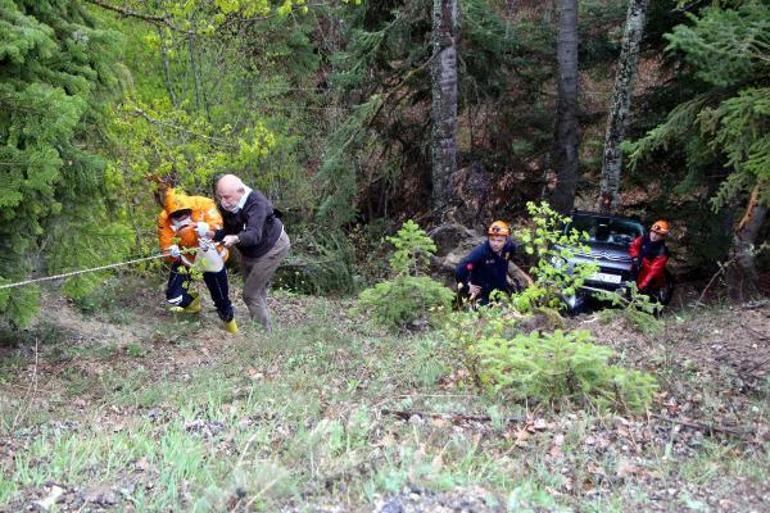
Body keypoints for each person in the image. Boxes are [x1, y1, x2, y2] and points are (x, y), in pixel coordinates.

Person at [207, 174, 290, 332]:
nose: (224, 202)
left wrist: (236, 238)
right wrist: (211, 235)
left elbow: (254, 234)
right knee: (257, 291)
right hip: (250, 251)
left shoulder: (257, 203)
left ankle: (264, 335)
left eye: (227, 197)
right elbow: (227, 231)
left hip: (273, 247)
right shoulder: (228, 205)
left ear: (240, 191)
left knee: (250, 294)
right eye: (221, 197)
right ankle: (262, 324)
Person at [157, 187, 238, 334]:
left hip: (211, 255)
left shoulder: (204, 205)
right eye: (177, 216)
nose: (182, 219)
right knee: (174, 297)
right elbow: (166, 248)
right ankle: (193, 304)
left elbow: (221, 229)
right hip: (186, 258)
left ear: (189, 209)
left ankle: (232, 329)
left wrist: (207, 230)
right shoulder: (164, 219)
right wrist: (172, 252)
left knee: (220, 298)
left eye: (184, 215)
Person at [455, 220, 522, 305]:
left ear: (506, 240)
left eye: (499, 241)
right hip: (481, 295)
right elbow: (460, 270)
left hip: (500, 291)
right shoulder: (480, 252)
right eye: (492, 240)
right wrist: (467, 287)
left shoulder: (509, 248)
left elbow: (507, 258)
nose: (495, 244)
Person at [628, 220, 671, 300]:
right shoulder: (644, 238)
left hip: (649, 280)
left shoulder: (662, 251)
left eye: (658, 234)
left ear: (663, 236)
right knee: (629, 292)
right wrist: (635, 257)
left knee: (644, 297)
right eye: (653, 232)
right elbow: (634, 246)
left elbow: (653, 272)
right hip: (636, 271)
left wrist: (642, 286)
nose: (654, 235)